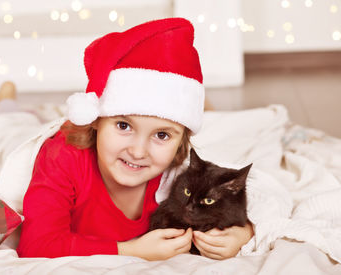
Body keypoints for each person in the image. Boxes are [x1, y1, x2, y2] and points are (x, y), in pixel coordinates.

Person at [14, 17, 253, 261]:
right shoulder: (63, 157)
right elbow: (36, 245)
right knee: (7, 129)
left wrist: (243, 233)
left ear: (181, 141)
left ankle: (207, 109)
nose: (138, 152)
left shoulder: (179, 172)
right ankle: (7, 102)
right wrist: (130, 250)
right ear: (97, 120)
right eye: (123, 125)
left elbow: (260, 191)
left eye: (162, 135)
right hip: (34, 139)